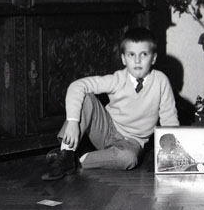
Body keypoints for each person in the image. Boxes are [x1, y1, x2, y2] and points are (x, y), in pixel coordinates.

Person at [42, 27, 179, 181]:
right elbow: (77, 86)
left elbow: (169, 118)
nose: (137, 60)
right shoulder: (117, 79)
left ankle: (78, 159)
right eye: (131, 55)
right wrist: (73, 122)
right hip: (106, 130)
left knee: (129, 159)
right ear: (123, 59)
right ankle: (66, 153)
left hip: (132, 142)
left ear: (153, 58)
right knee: (86, 98)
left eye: (144, 54)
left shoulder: (161, 81)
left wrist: (172, 151)